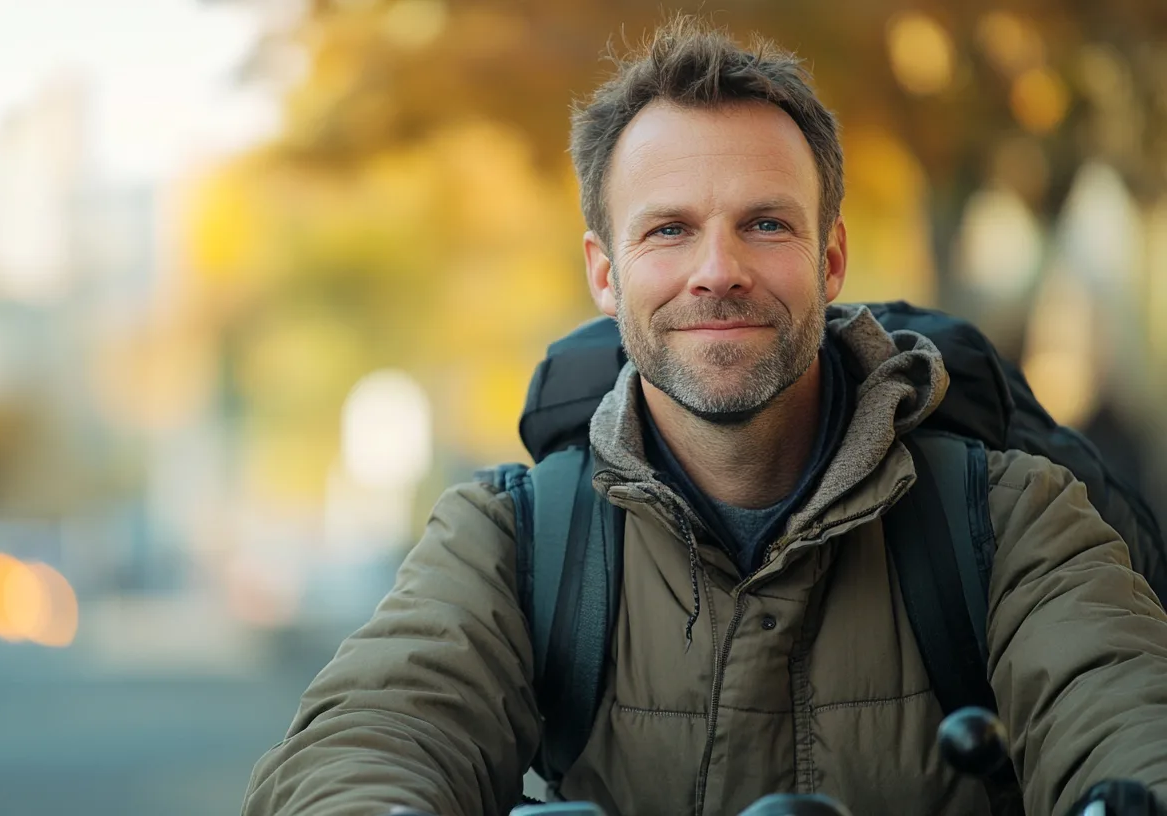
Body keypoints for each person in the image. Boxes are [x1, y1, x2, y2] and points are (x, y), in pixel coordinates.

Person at [242, 15, 1167, 816]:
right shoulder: (512, 542)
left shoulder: (1009, 519)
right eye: (669, 229)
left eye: (765, 224)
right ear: (604, 273)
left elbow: (1125, 708)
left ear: (832, 259)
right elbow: (376, 728)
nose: (717, 269)